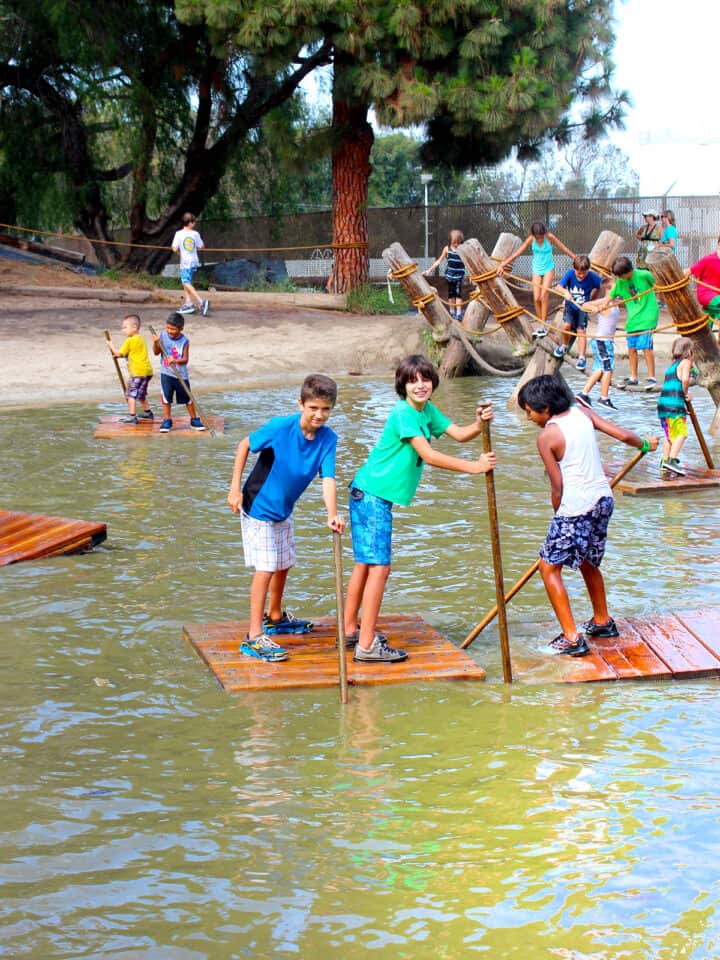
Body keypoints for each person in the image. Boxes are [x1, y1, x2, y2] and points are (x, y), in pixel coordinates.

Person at [343, 354, 496, 663]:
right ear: (403, 386)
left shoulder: (426, 411)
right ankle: (367, 645)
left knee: (366, 564)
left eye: (425, 379)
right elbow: (429, 456)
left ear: (433, 382)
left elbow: (460, 434)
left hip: (370, 494)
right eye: (412, 381)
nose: (420, 385)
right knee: (378, 568)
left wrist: (479, 424)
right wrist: (475, 468)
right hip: (371, 495)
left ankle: (351, 630)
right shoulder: (404, 414)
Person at [518, 374, 658, 657]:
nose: (528, 416)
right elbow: (622, 435)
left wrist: (560, 514)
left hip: (576, 507)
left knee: (548, 568)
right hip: (602, 500)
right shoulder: (582, 412)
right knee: (587, 561)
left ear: (545, 408)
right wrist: (644, 444)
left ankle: (571, 638)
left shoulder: (547, 436)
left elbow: (557, 486)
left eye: (529, 410)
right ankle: (602, 621)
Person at [227, 374, 345, 662]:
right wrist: (233, 488)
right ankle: (254, 634)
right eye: (313, 408)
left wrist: (332, 513)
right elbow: (245, 445)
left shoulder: (328, 439)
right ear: (301, 404)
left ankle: (275, 616)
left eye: (326, 409)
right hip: (258, 505)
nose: (319, 415)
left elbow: (327, 479)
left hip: (284, 508)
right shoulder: (280, 427)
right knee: (266, 567)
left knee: (284, 562)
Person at [591, 255, 659, 388]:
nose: (620, 279)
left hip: (648, 315)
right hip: (634, 319)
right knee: (631, 347)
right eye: (618, 276)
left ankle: (652, 377)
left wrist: (658, 294)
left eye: (622, 275)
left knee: (646, 346)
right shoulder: (620, 283)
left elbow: (658, 285)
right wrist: (600, 306)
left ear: (629, 270)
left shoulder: (643, 275)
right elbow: (609, 298)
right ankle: (634, 376)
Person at [151, 312, 206, 433]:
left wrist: (175, 360)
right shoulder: (163, 336)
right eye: (168, 328)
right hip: (166, 374)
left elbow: (185, 359)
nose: (170, 331)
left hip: (181, 375)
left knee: (188, 397)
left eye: (173, 329)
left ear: (181, 329)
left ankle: (194, 419)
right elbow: (156, 352)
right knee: (166, 398)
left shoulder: (184, 341)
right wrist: (156, 342)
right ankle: (167, 420)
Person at [552, 254, 603, 369]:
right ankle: (564, 346)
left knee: (581, 331)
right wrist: (565, 292)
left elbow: (603, 284)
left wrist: (596, 302)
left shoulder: (592, 277)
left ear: (587, 270)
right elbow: (558, 287)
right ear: (574, 269)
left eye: (583, 273)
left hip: (583, 308)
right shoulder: (570, 273)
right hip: (570, 306)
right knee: (566, 326)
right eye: (578, 273)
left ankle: (581, 357)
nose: (580, 276)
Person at [577, 278, 621, 410]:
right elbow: (585, 305)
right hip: (602, 342)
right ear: (608, 290)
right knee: (608, 368)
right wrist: (595, 308)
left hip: (604, 341)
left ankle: (584, 394)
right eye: (615, 288)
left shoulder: (615, 302)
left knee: (599, 369)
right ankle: (604, 397)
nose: (618, 290)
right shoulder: (605, 303)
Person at [105, 314, 154, 423]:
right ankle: (148, 412)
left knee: (131, 394)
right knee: (141, 394)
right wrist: (119, 355)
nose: (123, 330)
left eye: (125, 327)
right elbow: (126, 354)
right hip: (147, 371)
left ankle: (132, 416)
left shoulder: (130, 340)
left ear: (135, 327)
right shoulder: (141, 338)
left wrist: (110, 345)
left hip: (138, 372)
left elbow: (119, 353)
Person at [657, 337, 694, 477]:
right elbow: (685, 379)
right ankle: (671, 461)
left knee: (670, 436)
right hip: (674, 406)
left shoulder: (671, 366)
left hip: (663, 406)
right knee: (682, 434)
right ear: (690, 352)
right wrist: (685, 394)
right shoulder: (686, 362)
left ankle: (664, 462)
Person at [423, 229, 466, 320]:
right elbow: (439, 261)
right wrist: (429, 270)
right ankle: (452, 312)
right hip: (450, 276)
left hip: (459, 275)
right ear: (450, 241)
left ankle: (458, 314)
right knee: (451, 295)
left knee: (458, 294)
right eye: (454, 242)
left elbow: (469, 262)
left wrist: (473, 274)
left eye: (459, 243)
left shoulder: (463, 249)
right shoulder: (447, 249)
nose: (456, 245)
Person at [171, 212, 209, 316]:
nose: (195, 224)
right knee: (186, 282)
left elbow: (174, 248)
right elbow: (201, 246)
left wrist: (179, 251)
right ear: (190, 223)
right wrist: (194, 247)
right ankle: (188, 303)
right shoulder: (195, 234)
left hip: (185, 262)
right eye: (194, 222)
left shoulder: (178, 234)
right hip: (194, 261)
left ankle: (201, 301)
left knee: (185, 282)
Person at [688, 236, 720, 343]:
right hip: (706, 294)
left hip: (716, 297)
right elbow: (689, 271)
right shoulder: (709, 259)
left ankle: (704, 343)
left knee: (705, 325)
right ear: (719, 243)